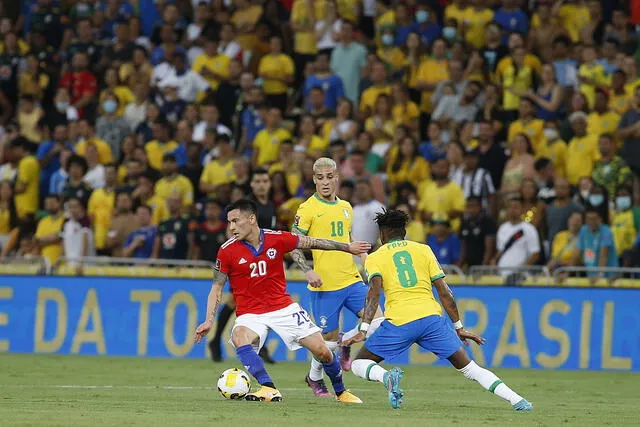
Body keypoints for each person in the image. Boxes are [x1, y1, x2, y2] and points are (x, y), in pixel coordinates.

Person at [343, 209, 532, 411]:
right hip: (431, 320)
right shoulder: (424, 250)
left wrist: (363, 329)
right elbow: (445, 292)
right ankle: (518, 401)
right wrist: (458, 327)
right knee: (470, 368)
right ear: (403, 232)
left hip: (400, 322)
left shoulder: (375, 257)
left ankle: (387, 377)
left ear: (382, 233)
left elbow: (373, 293)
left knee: (359, 364)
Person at [193, 199, 370, 403]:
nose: (231, 227)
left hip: (283, 307)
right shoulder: (226, 251)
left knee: (322, 350)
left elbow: (312, 242)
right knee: (240, 337)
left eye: (235, 221)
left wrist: (348, 247)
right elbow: (216, 287)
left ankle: (341, 392)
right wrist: (208, 320)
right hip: (250, 313)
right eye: (229, 222)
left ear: (251, 219)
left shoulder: (275, 238)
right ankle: (268, 388)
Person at [289, 157, 385, 396]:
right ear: (313, 180)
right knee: (326, 343)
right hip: (325, 285)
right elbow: (292, 244)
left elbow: (348, 239)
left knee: (379, 322)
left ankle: (346, 341)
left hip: (352, 279)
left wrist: (364, 258)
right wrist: (307, 270)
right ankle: (314, 378)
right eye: (320, 178)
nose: (325, 182)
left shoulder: (346, 207)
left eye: (329, 177)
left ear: (337, 178)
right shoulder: (307, 208)